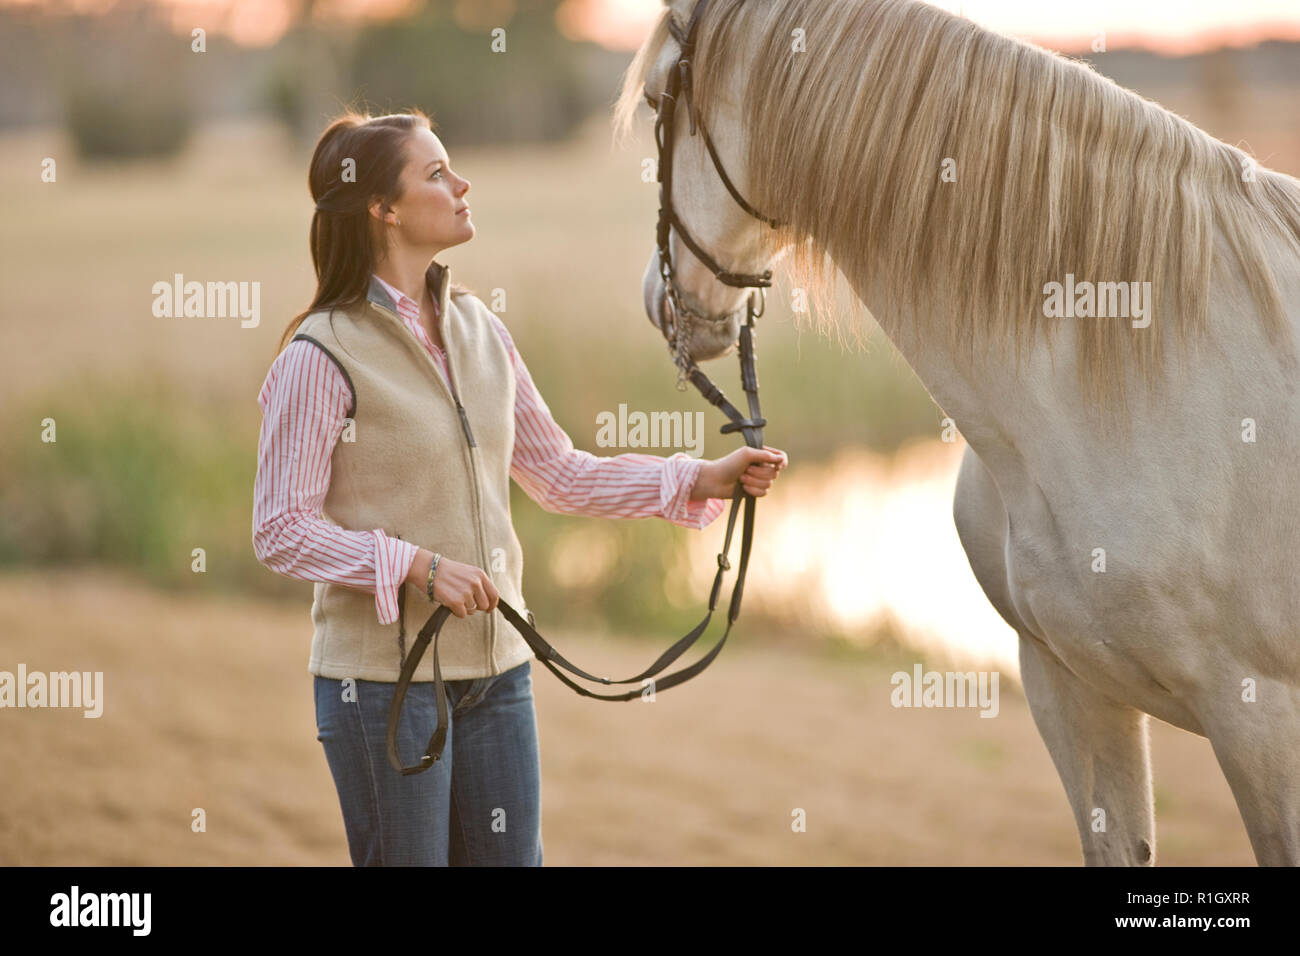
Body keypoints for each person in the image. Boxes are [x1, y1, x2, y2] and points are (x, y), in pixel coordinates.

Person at [251, 108, 788, 867]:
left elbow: (561, 473)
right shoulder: (320, 355)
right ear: (384, 208)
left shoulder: (480, 330)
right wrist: (416, 566)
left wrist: (700, 476)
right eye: (436, 173)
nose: (461, 183)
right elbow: (279, 528)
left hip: (498, 674)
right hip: (380, 688)